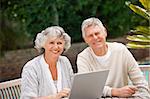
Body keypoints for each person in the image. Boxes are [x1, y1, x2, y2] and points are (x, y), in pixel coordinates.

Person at [77, 17, 150, 98]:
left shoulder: (121, 50)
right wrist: (114, 92)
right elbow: (88, 88)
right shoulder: (83, 58)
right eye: (90, 36)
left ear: (105, 32)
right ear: (85, 40)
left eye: (97, 33)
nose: (95, 37)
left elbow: (140, 82)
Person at [21, 26, 74, 99]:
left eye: (59, 43)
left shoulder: (65, 61)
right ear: (43, 44)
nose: (56, 47)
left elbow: (73, 88)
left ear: (64, 45)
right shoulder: (31, 67)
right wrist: (55, 97)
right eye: (51, 43)